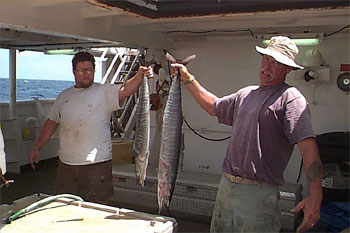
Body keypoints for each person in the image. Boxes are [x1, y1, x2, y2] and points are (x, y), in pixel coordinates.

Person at [170, 36, 322, 233]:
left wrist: (315, 195)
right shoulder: (246, 94)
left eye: (276, 63)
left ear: (288, 69)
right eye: (266, 59)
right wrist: (188, 79)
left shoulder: (290, 98)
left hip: (258, 194)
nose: (267, 66)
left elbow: (308, 147)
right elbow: (213, 106)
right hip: (226, 186)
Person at [29, 51, 153, 204]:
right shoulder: (64, 96)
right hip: (66, 166)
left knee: (96, 209)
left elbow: (125, 90)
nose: (86, 74)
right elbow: (51, 122)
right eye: (82, 70)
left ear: (94, 71)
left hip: (96, 166)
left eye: (89, 70)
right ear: (74, 72)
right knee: (65, 206)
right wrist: (37, 147)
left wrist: (140, 75)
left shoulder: (104, 91)